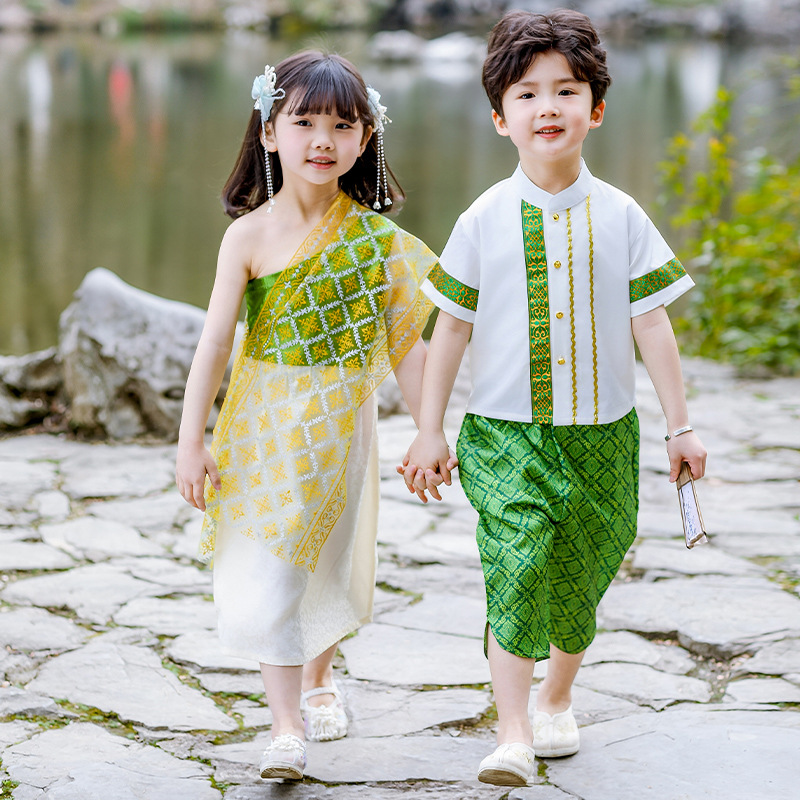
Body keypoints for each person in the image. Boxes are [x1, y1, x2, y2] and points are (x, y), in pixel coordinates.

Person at [401, 8, 707, 787]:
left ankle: (557, 697)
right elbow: (450, 329)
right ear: (500, 117)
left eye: (566, 91)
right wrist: (430, 430)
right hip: (505, 434)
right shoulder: (482, 219)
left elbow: (652, 322)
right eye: (527, 94)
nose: (548, 107)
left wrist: (680, 427)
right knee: (517, 564)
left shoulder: (623, 216)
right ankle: (512, 734)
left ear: (595, 109)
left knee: (584, 570)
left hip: (603, 433)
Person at [176, 51, 446, 782]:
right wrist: (191, 439)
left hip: (341, 426)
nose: (323, 140)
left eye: (342, 125)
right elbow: (214, 343)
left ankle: (320, 678)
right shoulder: (248, 236)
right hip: (262, 426)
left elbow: (408, 349)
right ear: (269, 132)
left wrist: (429, 430)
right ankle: (285, 727)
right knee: (273, 565)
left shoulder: (377, 243)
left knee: (322, 558)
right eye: (304, 123)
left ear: (366, 138)